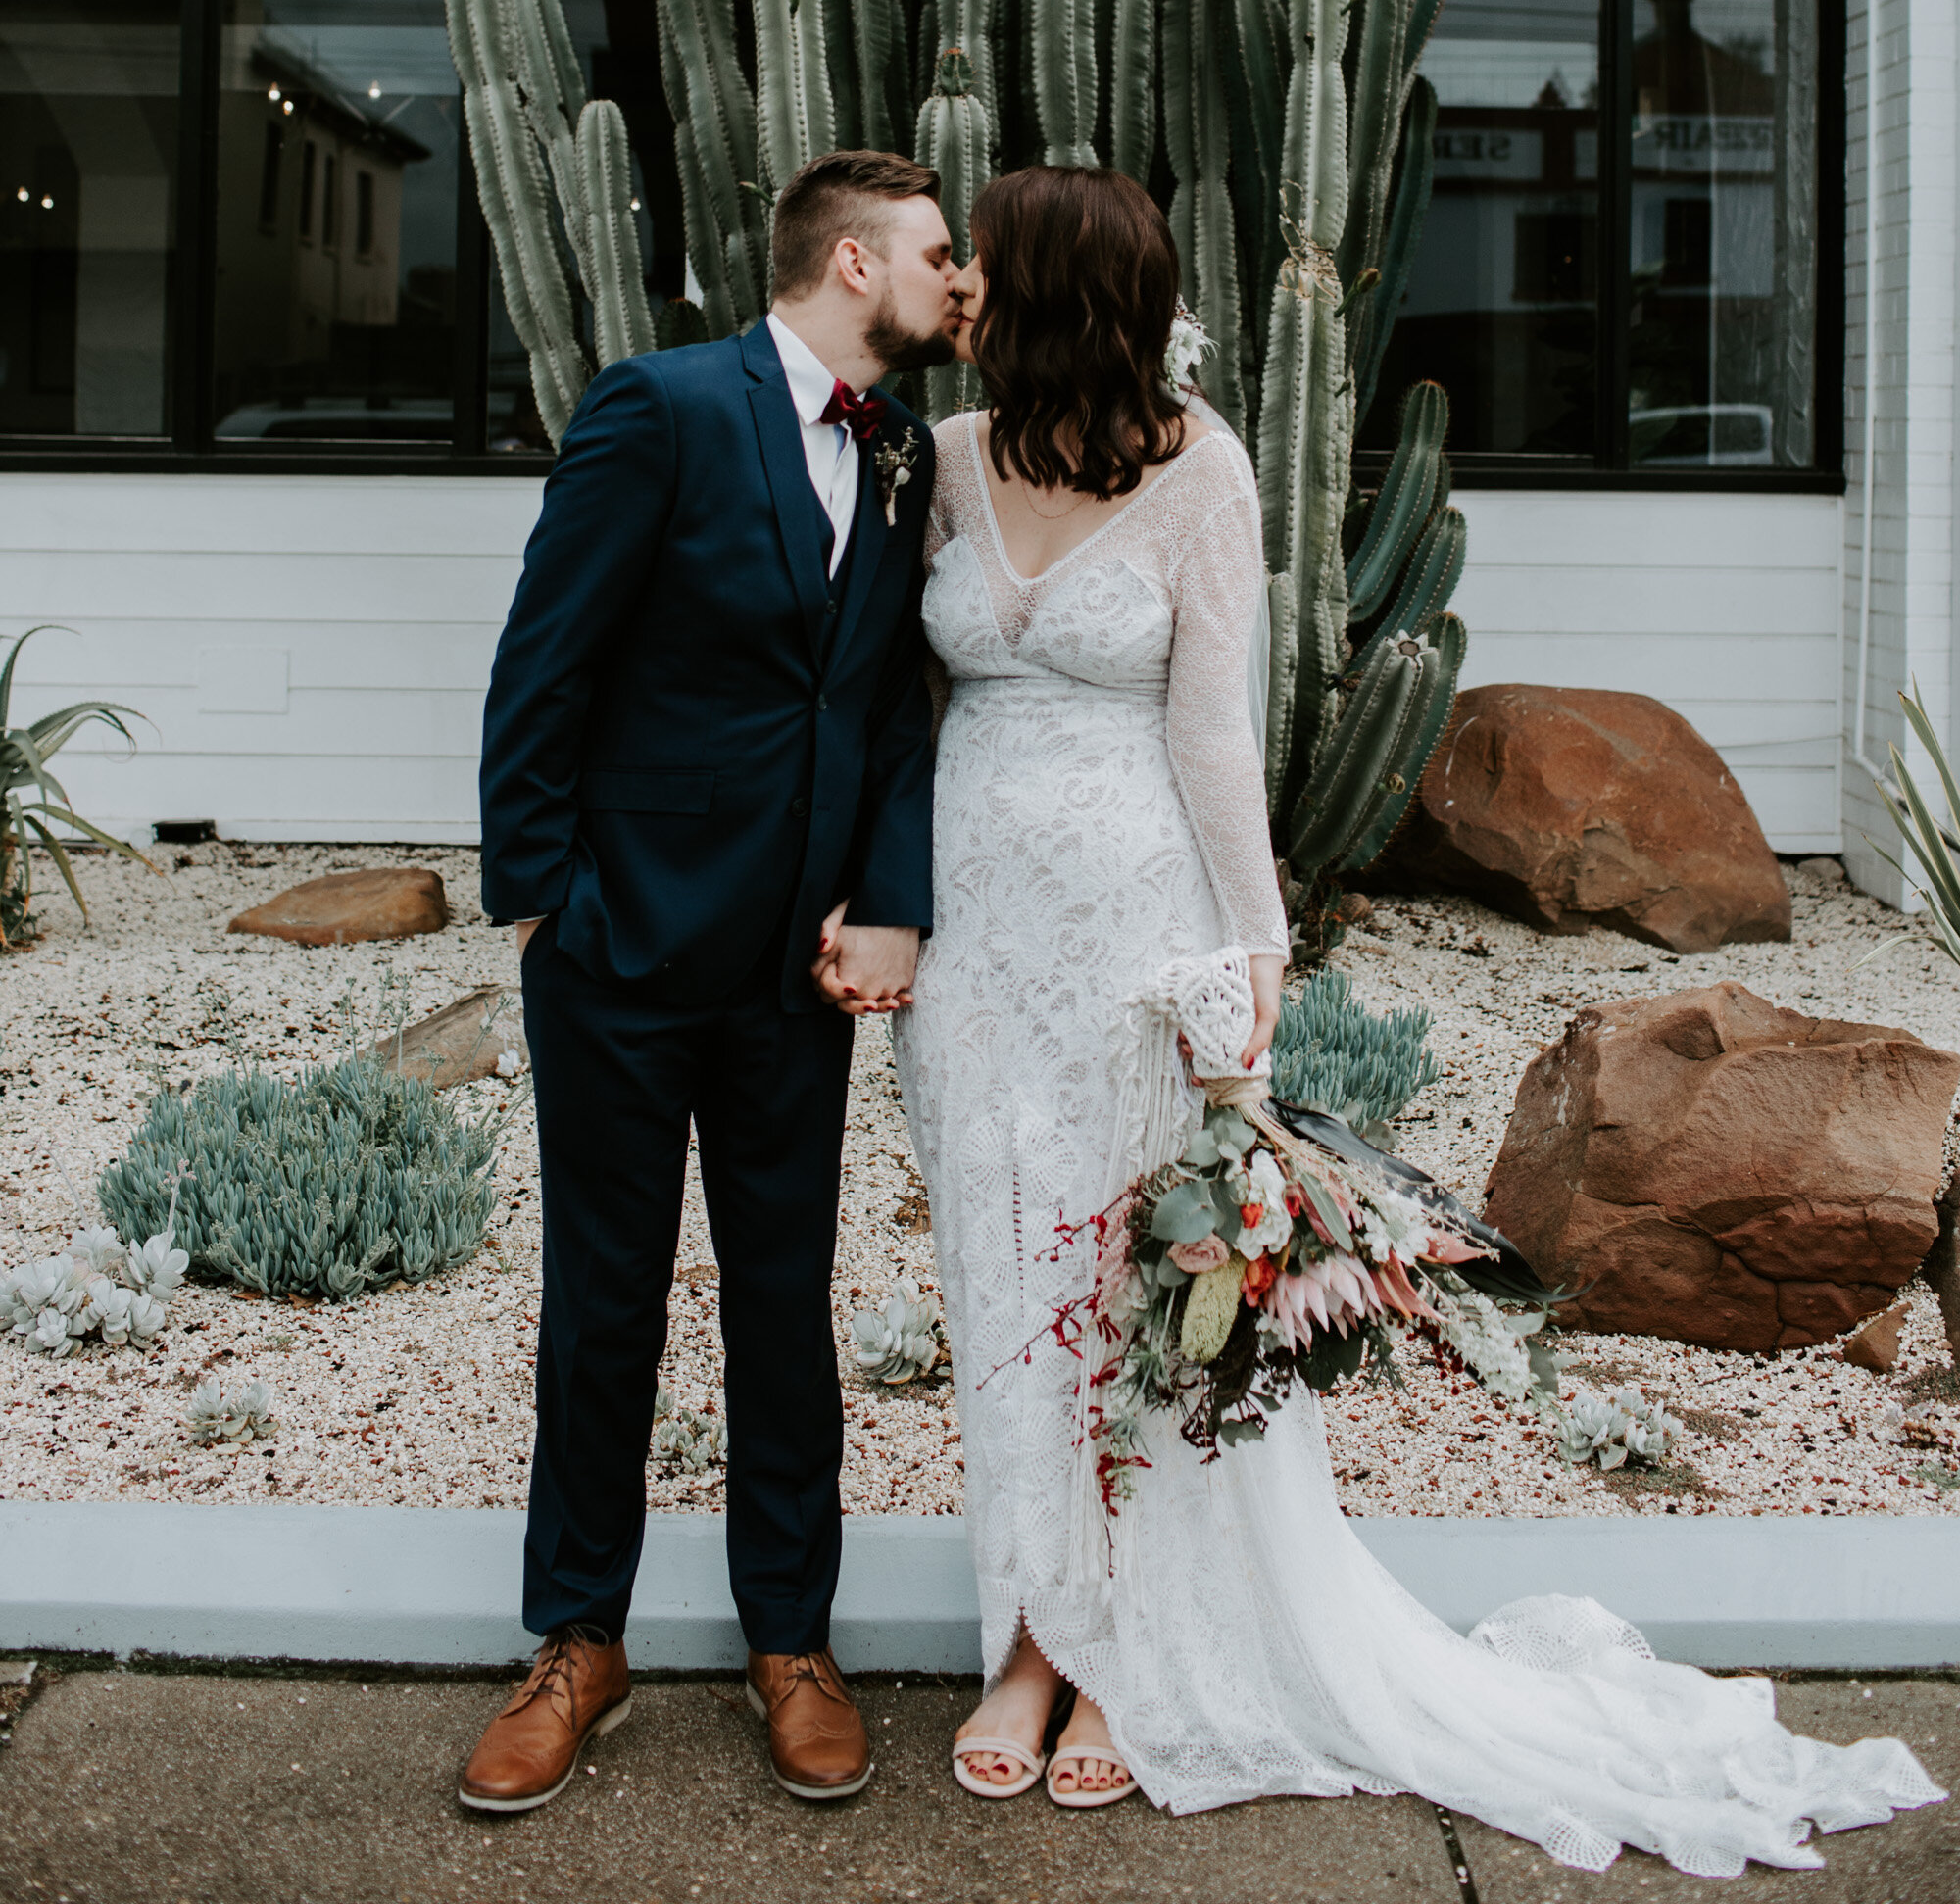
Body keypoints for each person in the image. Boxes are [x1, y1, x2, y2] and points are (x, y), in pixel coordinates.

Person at [895, 162, 1942, 1871]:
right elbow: (902, 696)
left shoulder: (1203, 468)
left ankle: (1126, 1656)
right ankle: (1030, 1625)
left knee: (1153, 1284)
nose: (957, 294)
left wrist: (1253, 940)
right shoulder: (941, 461)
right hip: (981, 954)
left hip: (1138, 940)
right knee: (1008, 1279)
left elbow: (1215, 730)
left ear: (1055, 288)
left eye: (982, 267)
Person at [461, 150, 955, 1817]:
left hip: (794, 971)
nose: (958, 282)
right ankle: (573, 1644)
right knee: (604, 1300)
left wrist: (886, 905)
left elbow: (887, 708)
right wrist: (543, 907)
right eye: (937, 255)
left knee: (784, 1299)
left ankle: (790, 1642)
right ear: (852, 261)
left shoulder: (900, 457)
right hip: (621, 946)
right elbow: (547, 657)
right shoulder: (662, 407)